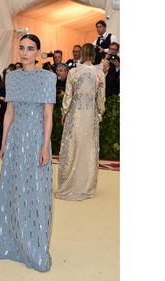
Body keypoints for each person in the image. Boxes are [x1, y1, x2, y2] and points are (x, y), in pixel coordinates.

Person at [0, 34, 57, 272]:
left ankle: (34, 244)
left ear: (38, 52)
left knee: (35, 191)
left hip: (36, 140)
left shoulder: (48, 77)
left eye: (30, 48)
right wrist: (3, 143)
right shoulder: (11, 77)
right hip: (15, 140)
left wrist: (45, 146)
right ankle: (11, 240)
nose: (25, 52)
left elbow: (48, 115)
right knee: (13, 188)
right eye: (22, 48)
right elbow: (9, 113)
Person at [55, 43, 105, 201]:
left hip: (75, 114)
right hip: (90, 115)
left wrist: (64, 111)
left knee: (72, 146)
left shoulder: (74, 72)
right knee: (88, 148)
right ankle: (85, 185)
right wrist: (99, 113)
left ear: (82, 53)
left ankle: (68, 183)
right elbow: (101, 99)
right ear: (94, 54)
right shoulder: (100, 73)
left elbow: (68, 95)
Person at [51, 63, 69, 155]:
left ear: (66, 72)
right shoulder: (53, 81)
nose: (58, 73)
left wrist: (64, 94)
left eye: (61, 71)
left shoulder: (70, 82)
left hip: (65, 112)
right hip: (53, 111)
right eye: (57, 71)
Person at [0, 67, 11, 150]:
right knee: (1, 125)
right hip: (3, 107)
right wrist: (3, 99)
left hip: (12, 108)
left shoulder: (16, 84)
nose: (8, 75)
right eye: (6, 73)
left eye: (10, 73)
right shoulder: (2, 84)